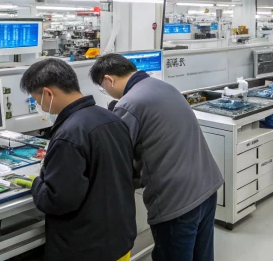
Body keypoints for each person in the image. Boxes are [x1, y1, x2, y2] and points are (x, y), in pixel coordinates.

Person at [90, 54, 223, 261]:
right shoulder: (164, 87)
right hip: (206, 188)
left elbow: (116, 156)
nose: (106, 91)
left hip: (176, 201)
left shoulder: (129, 103)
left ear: (109, 79)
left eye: (102, 87)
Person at [18, 58, 135, 261]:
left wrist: (36, 183)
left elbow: (59, 201)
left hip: (87, 248)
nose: (40, 106)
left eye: (37, 101)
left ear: (48, 93)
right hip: (119, 239)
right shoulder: (111, 117)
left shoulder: (69, 135)